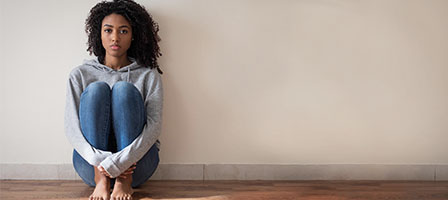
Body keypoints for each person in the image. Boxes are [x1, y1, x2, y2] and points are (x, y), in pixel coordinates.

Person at [64, 0, 163, 199]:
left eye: (123, 31)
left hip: (137, 166)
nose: (115, 37)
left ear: (134, 35)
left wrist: (122, 161)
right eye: (108, 30)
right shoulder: (80, 74)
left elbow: (154, 127)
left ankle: (123, 183)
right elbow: (71, 126)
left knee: (124, 90)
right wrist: (100, 161)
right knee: (96, 90)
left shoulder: (148, 75)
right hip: (92, 165)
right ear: (99, 34)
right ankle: (101, 182)